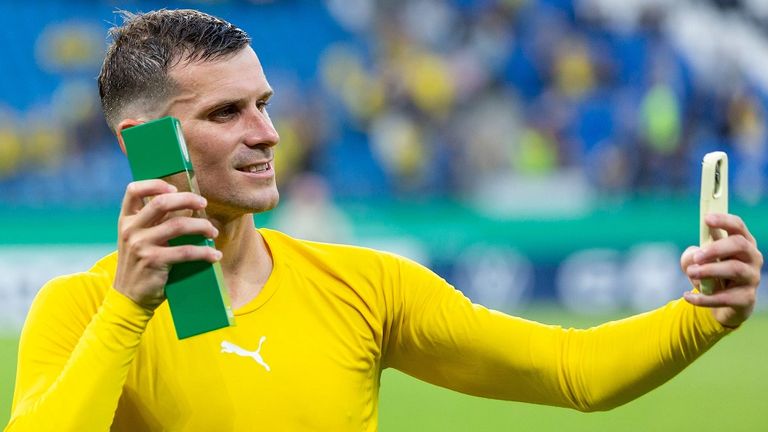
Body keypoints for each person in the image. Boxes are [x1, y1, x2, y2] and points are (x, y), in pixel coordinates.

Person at [4, 9, 762, 432]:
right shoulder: (80, 312)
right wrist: (130, 310)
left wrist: (706, 318)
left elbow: (573, 372)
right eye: (227, 112)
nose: (267, 133)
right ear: (144, 145)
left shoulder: (365, 287)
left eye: (264, 104)